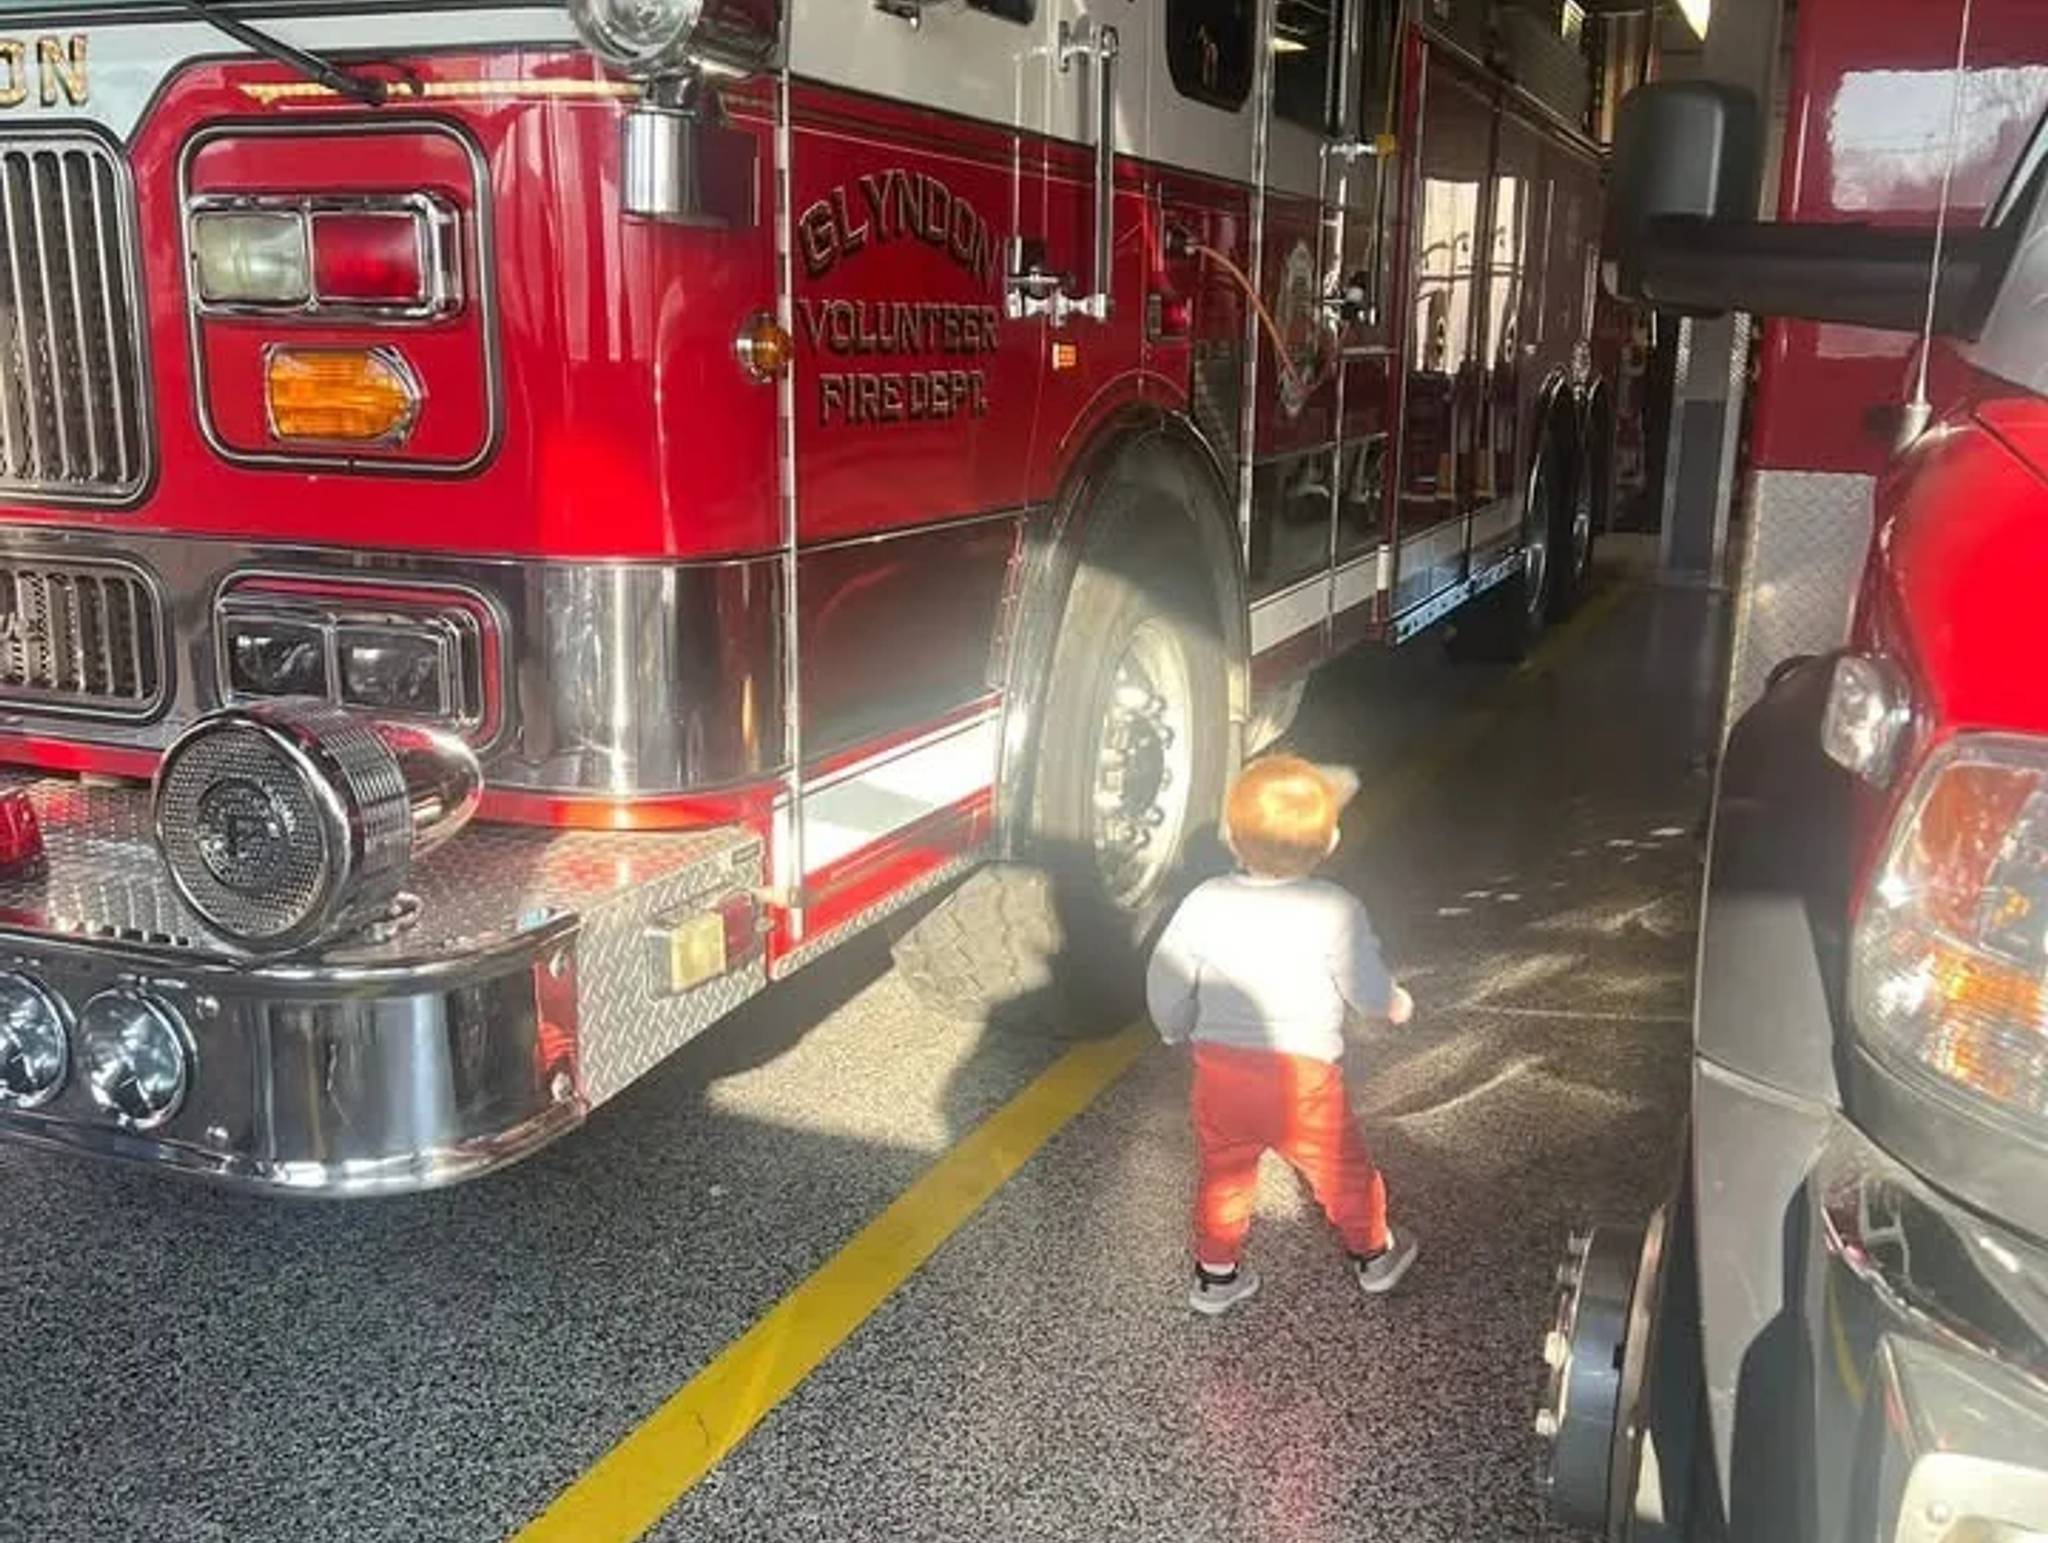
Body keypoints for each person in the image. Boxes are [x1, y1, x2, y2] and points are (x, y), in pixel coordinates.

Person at [1145, 754, 1418, 1315]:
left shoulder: (1205, 901)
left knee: (1225, 1174)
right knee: (1342, 1171)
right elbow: (1364, 985)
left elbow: (1165, 979)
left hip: (1221, 1077)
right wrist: (1393, 1004)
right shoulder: (1334, 908)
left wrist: (1174, 1029)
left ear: (1231, 838)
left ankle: (1216, 1276)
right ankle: (1374, 1256)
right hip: (1304, 1083)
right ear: (1331, 840)